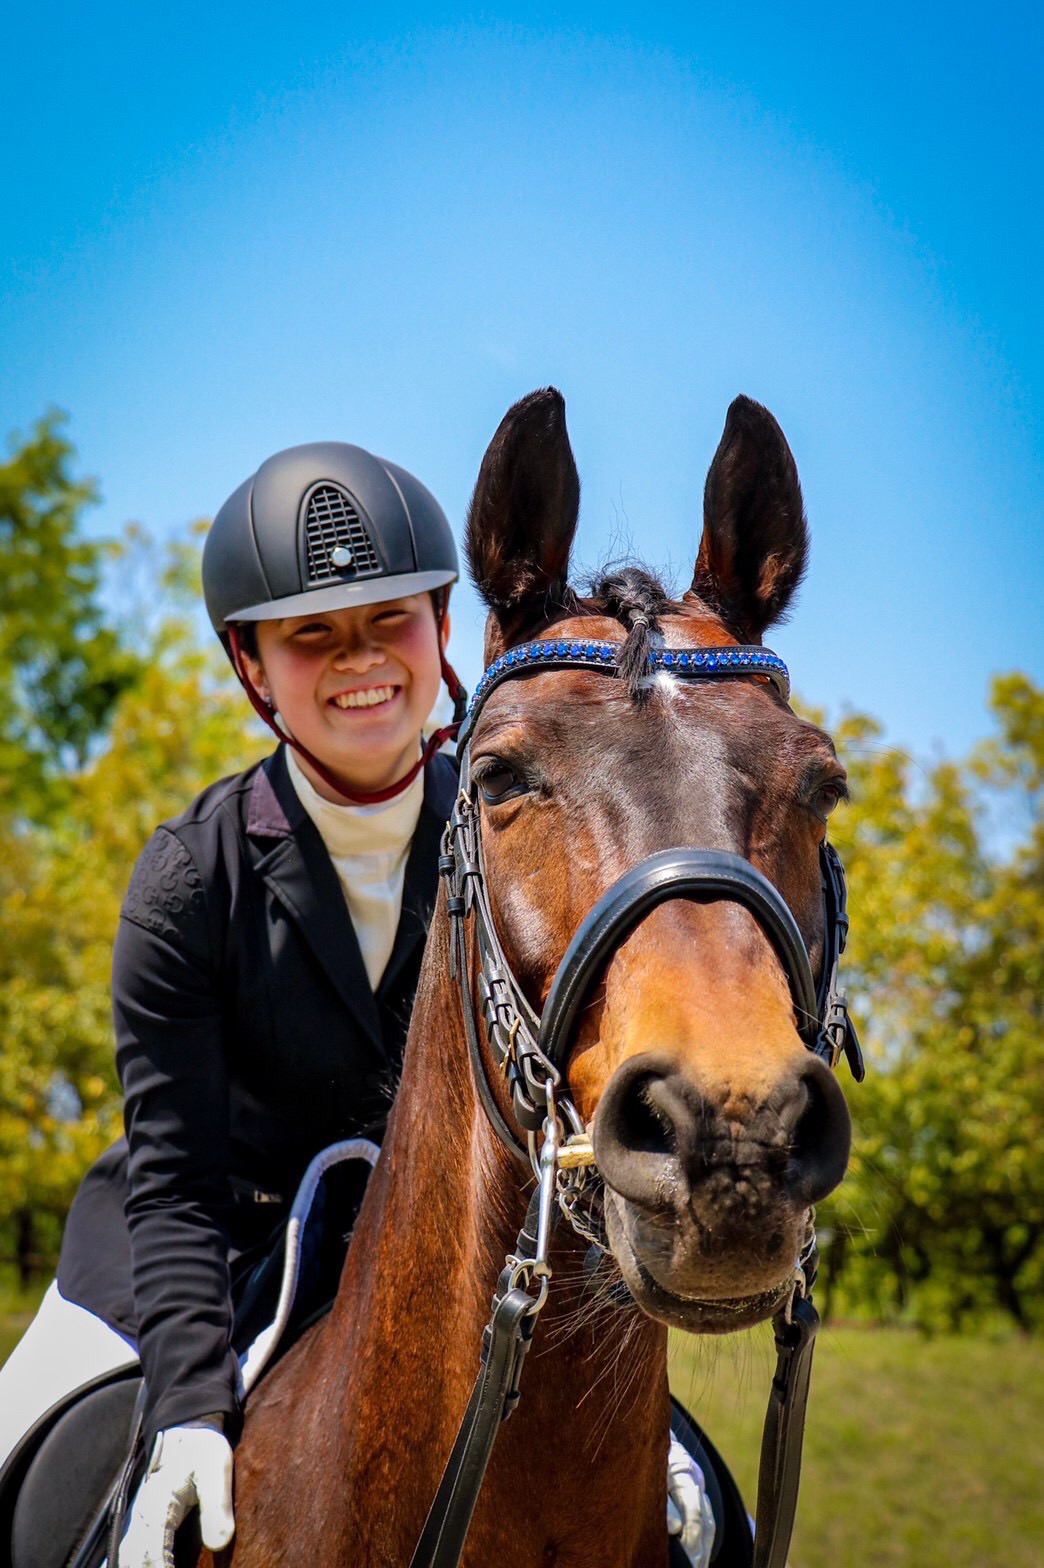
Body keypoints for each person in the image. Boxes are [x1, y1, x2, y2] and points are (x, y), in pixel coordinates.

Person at [0, 440, 464, 1564]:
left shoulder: (512, 849)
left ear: (442, 628)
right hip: (198, 1242)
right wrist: (192, 1408)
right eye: (311, 633)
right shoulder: (186, 882)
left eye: (389, 619)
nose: (360, 658)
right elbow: (176, 1181)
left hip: (433, 1256)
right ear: (251, 663)